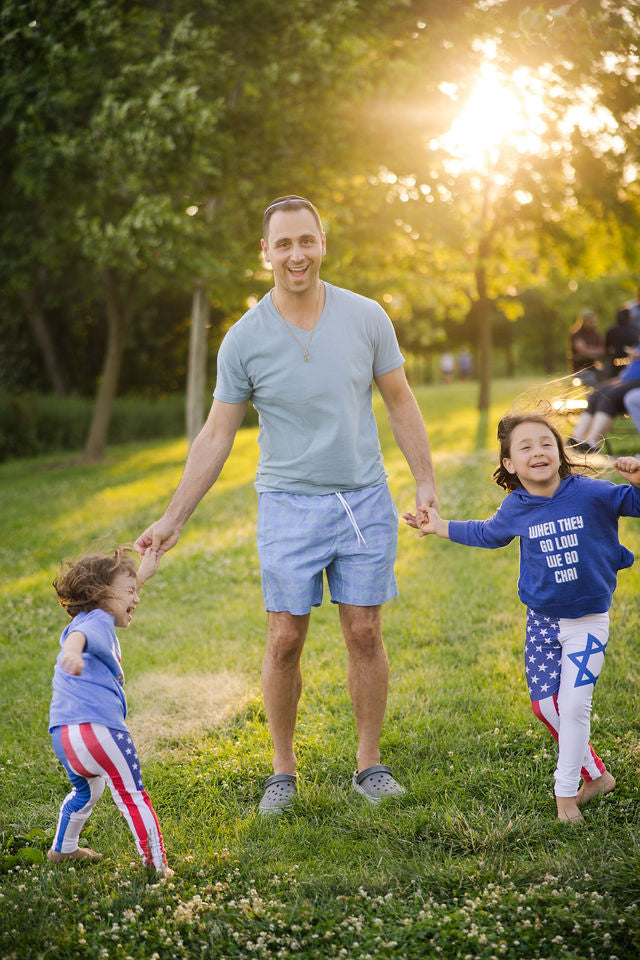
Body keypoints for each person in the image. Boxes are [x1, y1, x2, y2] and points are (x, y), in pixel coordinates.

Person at [135, 195, 438, 814]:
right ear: (265, 253)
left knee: (364, 629)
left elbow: (401, 401)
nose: (296, 254)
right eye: (284, 243)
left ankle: (369, 765)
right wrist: (173, 519)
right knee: (283, 639)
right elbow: (217, 434)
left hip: (362, 497)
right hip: (288, 505)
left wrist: (425, 482)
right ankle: (283, 770)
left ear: (323, 243)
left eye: (307, 241)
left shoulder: (367, 316)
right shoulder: (244, 339)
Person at [403, 413, 640, 822]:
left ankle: (565, 794)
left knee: (575, 704)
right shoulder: (517, 506)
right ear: (510, 464)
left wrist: (637, 477)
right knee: (546, 706)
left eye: (546, 443)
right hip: (543, 623)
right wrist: (439, 526)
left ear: (561, 452)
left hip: (586, 623)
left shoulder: (593, 494)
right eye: (525, 447)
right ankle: (598, 777)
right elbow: (488, 533)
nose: (538, 452)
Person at [48, 546, 172, 875]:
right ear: (101, 595)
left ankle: (64, 848)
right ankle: (157, 866)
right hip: (100, 729)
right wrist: (71, 654)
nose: (137, 598)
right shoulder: (97, 622)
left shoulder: (94, 613)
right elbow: (78, 638)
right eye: (131, 592)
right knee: (133, 794)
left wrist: (144, 571)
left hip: (64, 733)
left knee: (87, 788)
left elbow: (114, 598)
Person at [569, 347, 640, 452]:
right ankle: (575, 440)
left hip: (636, 381)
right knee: (596, 393)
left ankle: (592, 444)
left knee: (609, 397)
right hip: (625, 378)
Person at [567, 310, 603, 388]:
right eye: (591, 322)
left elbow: (602, 350)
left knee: (608, 376)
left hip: (593, 367)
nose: (593, 324)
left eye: (594, 321)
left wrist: (589, 349)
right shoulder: (576, 334)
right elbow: (582, 350)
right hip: (579, 369)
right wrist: (594, 350)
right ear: (584, 321)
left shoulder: (596, 334)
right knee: (590, 378)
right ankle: (592, 399)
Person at [604, 306, 639, 379]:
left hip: (617, 363)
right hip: (631, 363)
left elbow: (607, 350)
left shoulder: (611, 331)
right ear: (629, 316)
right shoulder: (636, 329)